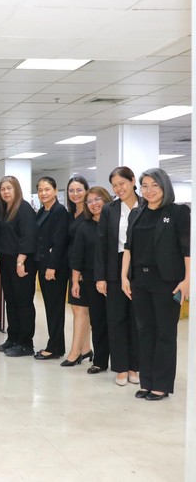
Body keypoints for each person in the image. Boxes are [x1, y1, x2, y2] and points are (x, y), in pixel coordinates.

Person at [122, 168, 190, 401]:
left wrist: (187, 280)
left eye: (154, 185)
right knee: (144, 331)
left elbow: (187, 250)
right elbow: (128, 248)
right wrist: (124, 277)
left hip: (168, 282)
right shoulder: (136, 213)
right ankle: (147, 381)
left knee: (165, 333)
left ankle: (161, 384)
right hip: (140, 281)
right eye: (145, 186)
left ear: (164, 187)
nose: (149, 190)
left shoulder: (178, 212)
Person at [95, 166, 141, 386]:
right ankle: (121, 367)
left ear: (132, 181)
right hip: (115, 267)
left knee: (138, 320)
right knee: (116, 319)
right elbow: (102, 244)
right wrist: (101, 277)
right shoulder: (109, 210)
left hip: (141, 267)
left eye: (122, 183)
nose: (118, 189)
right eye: (114, 186)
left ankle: (135, 367)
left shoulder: (147, 205)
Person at [69, 187, 111, 371]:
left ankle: (122, 364)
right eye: (90, 201)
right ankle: (100, 361)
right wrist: (75, 281)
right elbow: (77, 256)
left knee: (117, 321)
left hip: (114, 278)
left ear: (106, 199)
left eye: (98, 199)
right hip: (91, 279)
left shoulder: (115, 223)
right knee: (98, 321)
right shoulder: (84, 227)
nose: (94, 204)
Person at [0, 176, 37, 357]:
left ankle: (26, 343)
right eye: (3, 189)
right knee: (11, 301)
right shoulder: (5, 209)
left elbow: (28, 237)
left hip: (21, 262)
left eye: (9, 188)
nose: (6, 192)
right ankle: (12, 337)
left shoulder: (24, 209)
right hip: (6, 261)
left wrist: (20, 262)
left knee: (23, 302)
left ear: (16, 189)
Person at [34, 177, 69, 360]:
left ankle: (55, 348)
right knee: (50, 308)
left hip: (54, 269)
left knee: (55, 309)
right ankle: (55, 344)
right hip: (43, 265)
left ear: (55, 190)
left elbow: (59, 242)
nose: (43, 193)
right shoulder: (42, 211)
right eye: (40, 190)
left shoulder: (59, 212)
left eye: (47, 189)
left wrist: (52, 267)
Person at [63, 176, 92, 366]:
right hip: (73, 267)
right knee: (81, 310)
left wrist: (79, 270)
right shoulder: (72, 213)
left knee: (79, 310)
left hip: (83, 269)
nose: (75, 194)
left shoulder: (90, 214)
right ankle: (86, 348)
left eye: (79, 190)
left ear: (86, 190)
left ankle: (74, 353)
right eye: (71, 190)